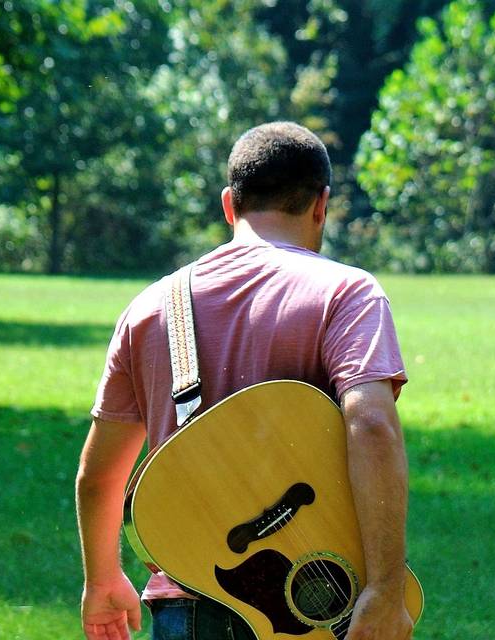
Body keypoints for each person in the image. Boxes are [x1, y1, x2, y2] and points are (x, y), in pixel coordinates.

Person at [75, 121, 413, 640]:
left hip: (188, 596)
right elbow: (370, 425)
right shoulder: (347, 293)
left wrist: (101, 580)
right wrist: (387, 588)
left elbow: (99, 478)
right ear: (321, 205)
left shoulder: (149, 310)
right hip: (317, 603)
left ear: (229, 205)